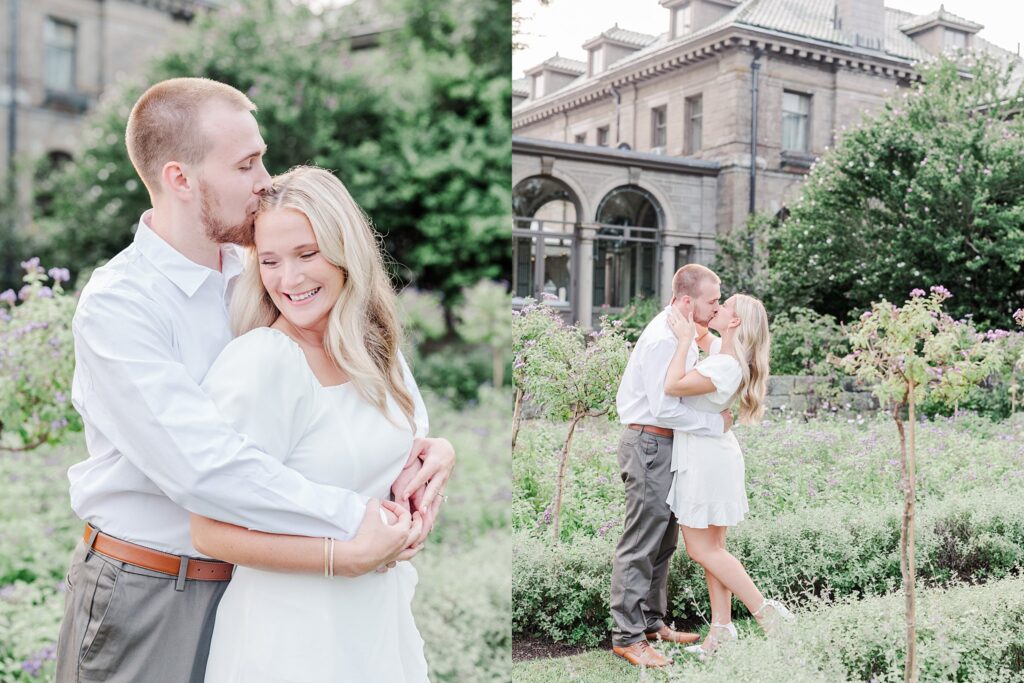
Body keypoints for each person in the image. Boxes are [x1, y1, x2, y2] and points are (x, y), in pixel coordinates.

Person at [55, 78, 454, 683]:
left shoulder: (262, 264)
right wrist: (356, 524)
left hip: (265, 589)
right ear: (181, 179)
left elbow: (353, 375)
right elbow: (207, 470)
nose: (266, 179)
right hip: (152, 588)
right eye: (246, 164)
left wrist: (431, 449)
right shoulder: (121, 305)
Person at [193, 165, 431, 680]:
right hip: (288, 637)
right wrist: (336, 559)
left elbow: (405, 452)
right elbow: (209, 531)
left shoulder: (373, 349)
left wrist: (431, 476)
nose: (289, 280)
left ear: (347, 250)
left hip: (375, 621)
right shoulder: (263, 362)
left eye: (307, 254)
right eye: (271, 261)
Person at [609, 264, 734, 669]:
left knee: (664, 541)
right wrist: (713, 424)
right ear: (685, 300)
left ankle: (650, 623)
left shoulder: (678, 330)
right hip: (649, 442)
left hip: (663, 444)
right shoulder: (666, 338)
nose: (715, 309)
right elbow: (665, 406)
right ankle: (627, 637)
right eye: (711, 301)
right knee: (641, 542)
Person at [663, 293, 794, 658]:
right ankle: (720, 630)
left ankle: (767, 613)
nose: (716, 307)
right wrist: (688, 316)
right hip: (712, 453)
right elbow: (706, 335)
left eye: (724, 306)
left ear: (734, 322)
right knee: (714, 550)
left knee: (701, 549)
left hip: (706, 460)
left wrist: (686, 340)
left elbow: (672, 386)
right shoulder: (725, 349)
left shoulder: (725, 365)